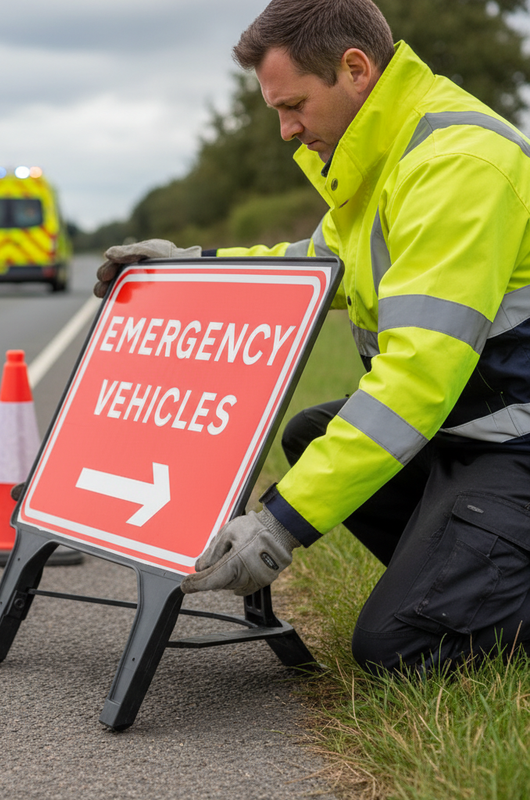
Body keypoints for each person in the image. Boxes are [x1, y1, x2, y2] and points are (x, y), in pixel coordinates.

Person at [94, 0, 530, 675]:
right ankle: (468, 565)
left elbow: (416, 380)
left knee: (398, 645)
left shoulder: (455, 165)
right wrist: (186, 267)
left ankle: (481, 575)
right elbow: (307, 266)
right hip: (468, 435)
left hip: (514, 442)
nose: (285, 129)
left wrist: (280, 526)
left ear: (355, 70)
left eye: (292, 104)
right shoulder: (382, 162)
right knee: (309, 432)